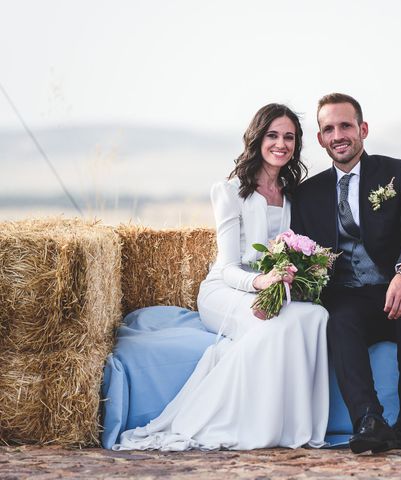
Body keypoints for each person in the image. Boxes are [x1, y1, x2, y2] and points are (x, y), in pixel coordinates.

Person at [113, 103, 330, 451]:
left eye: (289, 137)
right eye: (273, 135)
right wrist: (261, 283)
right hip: (225, 291)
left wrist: (299, 275)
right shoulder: (230, 192)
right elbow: (229, 267)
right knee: (273, 326)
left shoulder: (294, 197)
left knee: (316, 316)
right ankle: (242, 424)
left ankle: (294, 427)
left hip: (271, 288)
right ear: (257, 138)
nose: (281, 143)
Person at [291, 93, 401, 454]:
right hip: (352, 296)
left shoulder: (399, 173)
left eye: (345, 126)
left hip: (398, 284)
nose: (338, 135)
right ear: (321, 138)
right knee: (339, 319)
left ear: (362, 129)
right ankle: (368, 420)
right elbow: (304, 253)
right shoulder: (307, 194)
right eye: (329, 129)